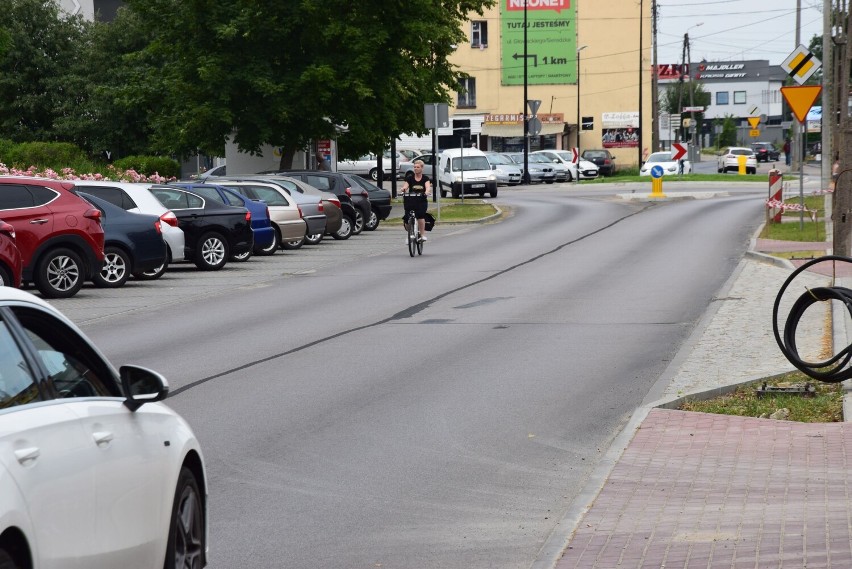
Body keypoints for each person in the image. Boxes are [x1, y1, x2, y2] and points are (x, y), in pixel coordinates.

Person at [400, 159, 431, 242]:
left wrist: (426, 192)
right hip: (411, 200)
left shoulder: (425, 178)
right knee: (407, 218)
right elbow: (405, 186)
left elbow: (428, 187)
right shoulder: (410, 178)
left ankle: (422, 234)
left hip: (421, 200)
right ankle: (410, 234)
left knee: (420, 216)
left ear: (422, 168)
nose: (416, 169)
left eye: (418, 167)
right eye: (414, 167)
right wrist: (403, 189)